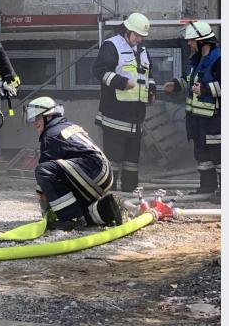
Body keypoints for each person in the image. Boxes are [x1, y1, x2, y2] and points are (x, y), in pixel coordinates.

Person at [27, 96, 122, 230]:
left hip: (93, 172)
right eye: (32, 120)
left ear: (48, 117)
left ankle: (70, 218)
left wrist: (46, 210)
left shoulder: (51, 135)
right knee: (67, 194)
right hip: (101, 172)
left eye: (36, 118)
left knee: (43, 170)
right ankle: (105, 210)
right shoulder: (66, 126)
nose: (34, 123)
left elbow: (45, 179)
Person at [92, 12, 156, 193]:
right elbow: (98, 71)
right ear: (127, 31)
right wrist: (120, 82)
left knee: (132, 162)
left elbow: (148, 75)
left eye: (142, 37)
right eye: (136, 35)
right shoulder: (112, 46)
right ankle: (109, 195)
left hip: (136, 117)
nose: (139, 40)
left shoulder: (142, 51)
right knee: (113, 159)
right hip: (115, 116)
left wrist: (152, 90)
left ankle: (130, 194)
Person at [163, 21, 221, 195]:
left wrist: (205, 89)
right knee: (202, 156)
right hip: (198, 120)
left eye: (191, 40)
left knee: (218, 157)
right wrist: (176, 85)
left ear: (202, 41)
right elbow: (190, 79)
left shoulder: (219, 59)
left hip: (214, 120)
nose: (189, 43)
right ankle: (207, 188)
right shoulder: (197, 59)